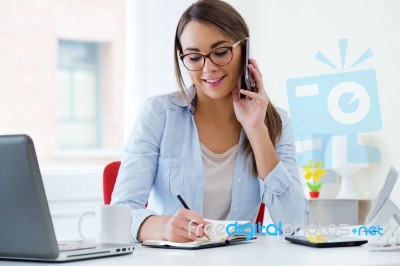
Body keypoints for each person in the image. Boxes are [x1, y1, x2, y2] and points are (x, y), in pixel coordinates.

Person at [111, 0, 308, 243]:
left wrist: (257, 130)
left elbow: (294, 223)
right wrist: (161, 228)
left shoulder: (276, 122)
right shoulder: (159, 114)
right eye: (194, 57)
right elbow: (119, 214)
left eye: (221, 52)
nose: (209, 68)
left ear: (245, 50)